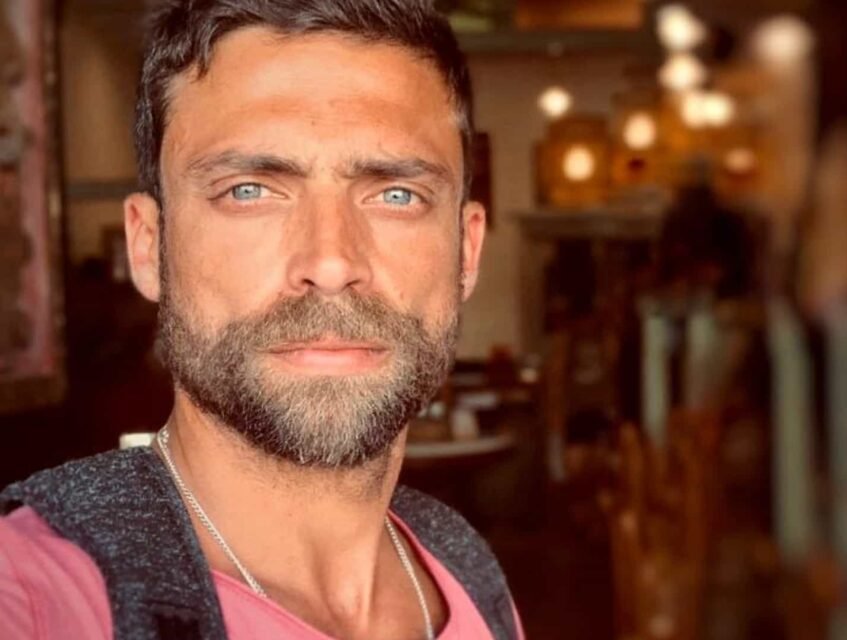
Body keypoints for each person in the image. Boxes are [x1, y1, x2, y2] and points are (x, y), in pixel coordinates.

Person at [0, 1, 524, 638]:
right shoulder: (33, 593)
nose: (330, 263)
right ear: (148, 246)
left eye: (396, 195)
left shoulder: (467, 574)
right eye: (248, 190)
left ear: (467, 252)